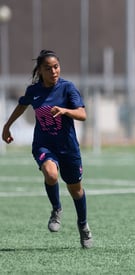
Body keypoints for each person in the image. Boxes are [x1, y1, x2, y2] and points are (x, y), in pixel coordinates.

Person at [2, 50, 93, 249]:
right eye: (48, 68)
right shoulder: (34, 91)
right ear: (40, 71)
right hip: (44, 145)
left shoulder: (68, 88)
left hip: (68, 148)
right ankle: (56, 208)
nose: (53, 71)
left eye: (56, 67)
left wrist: (65, 111)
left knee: (75, 190)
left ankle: (83, 225)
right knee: (51, 175)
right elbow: (22, 105)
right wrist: (7, 125)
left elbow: (83, 114)